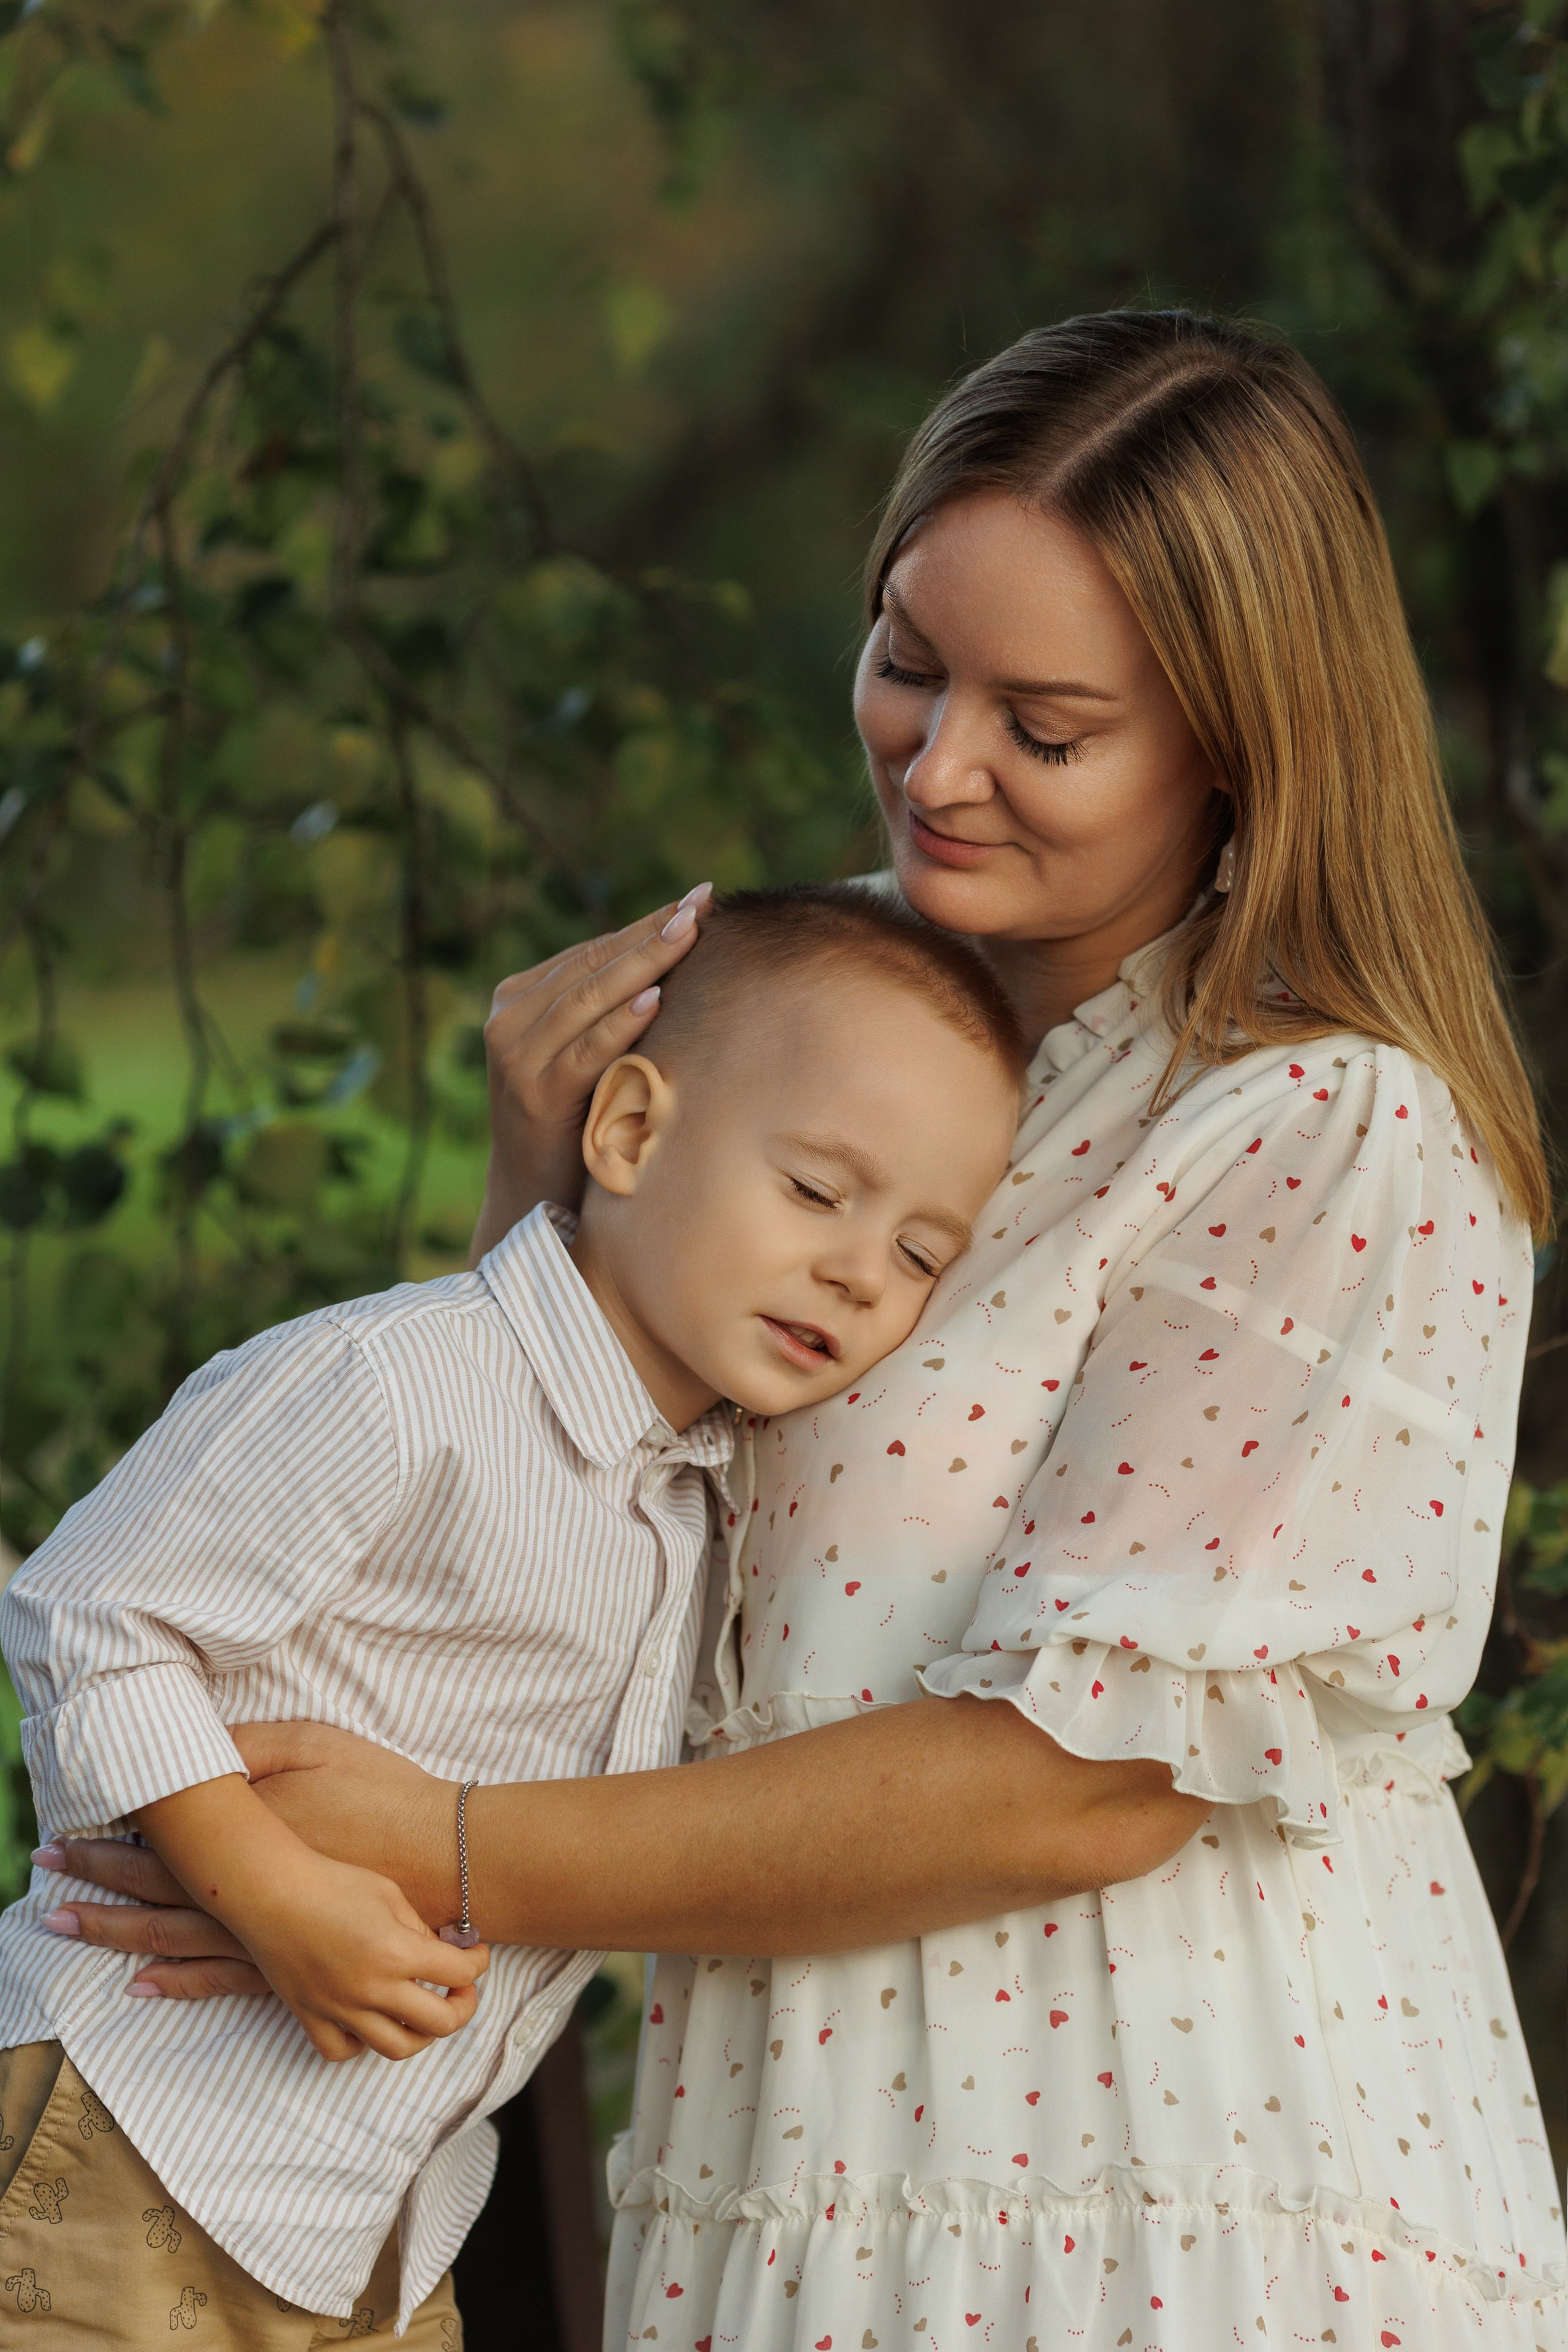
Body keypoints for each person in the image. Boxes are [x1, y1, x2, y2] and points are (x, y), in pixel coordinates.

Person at [44, 311, 1565, 2349]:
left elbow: (1093, 1782)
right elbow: (550, 1547)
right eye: (910, 664)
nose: (939, 765)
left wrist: (440, 1850)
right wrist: (544, 1181)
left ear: (1239, 735)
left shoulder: (1315, 1124)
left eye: (1047, 725)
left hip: (1158, 2180)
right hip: (800, 2145)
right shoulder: (803, 1020)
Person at [0, 886, 1027, 2345]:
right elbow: (89, 1615)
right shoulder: (404, 1381)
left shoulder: (692, 1502)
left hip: (374, 2210)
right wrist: (267, 1889)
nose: (861, 1270)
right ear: (626, 1132)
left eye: (923, 1253)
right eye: (814, 1191)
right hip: (139, 2124)